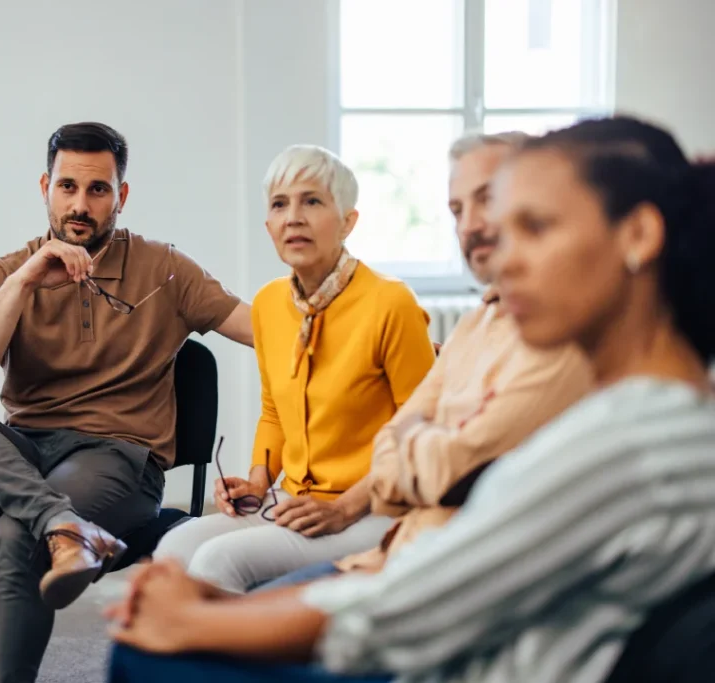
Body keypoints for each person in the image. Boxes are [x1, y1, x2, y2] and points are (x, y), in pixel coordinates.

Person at [105, 115, 715, 683]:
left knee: (141, 650)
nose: (502, 250)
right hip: (400, 582)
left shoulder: (629, 445)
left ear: (637, 235)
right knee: (179, 585)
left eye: (536, 227)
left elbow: (407, 608)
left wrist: (201, 621)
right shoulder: (633, 414)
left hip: (435, 646)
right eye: (467, 212)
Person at [0, 121, 253, 682]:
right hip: (22, 456)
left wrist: (372, 330)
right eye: (67, 187)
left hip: (117, 460)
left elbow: (263, 328)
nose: (81, 205)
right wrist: (23, 283)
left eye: (98, 190)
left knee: (15, 533)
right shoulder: (3, 273)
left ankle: (50, 525)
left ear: (122, 195)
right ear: (45, 186)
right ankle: (63, 523)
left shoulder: (164, 269)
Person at [257, 132, 594, 591]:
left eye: (488, 199)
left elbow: (440, 467)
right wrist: (259, 480)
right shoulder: (476, 325)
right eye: (457, 210)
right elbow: (405, 443)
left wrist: (410, 454)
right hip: (393, 548)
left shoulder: (560, 338)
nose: (470, 225)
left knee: (194, 614)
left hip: (422, 562)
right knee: (184, 583)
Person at [150, 144, 436, 592]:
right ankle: (186, 660)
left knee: (218, 561)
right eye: (280, 205)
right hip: (294, 498)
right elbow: (274, 413)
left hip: (375, 508)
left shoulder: (390, 303)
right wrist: (257, 481)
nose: (294, 217)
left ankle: (233, 661)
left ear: (348, 221)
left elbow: (421, 434)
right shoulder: (268, 305)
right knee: (173, 550)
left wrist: (344, 508)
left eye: (313, 201)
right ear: (269, 226)